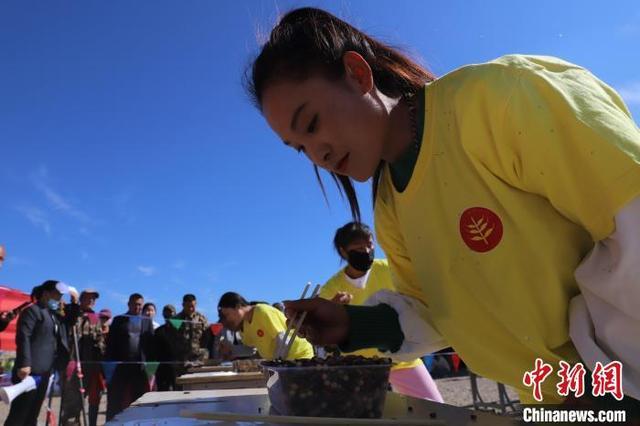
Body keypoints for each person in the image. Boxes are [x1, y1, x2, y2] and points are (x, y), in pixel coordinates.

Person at [247, 7, 640, 407]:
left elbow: (631, 216)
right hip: (550, 400)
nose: (319, 154)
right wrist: (353, 324)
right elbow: (436, 312)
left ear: (357, 73)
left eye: (312, 124)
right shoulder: (391, 206)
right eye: (301, 149)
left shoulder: (498, 100)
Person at [320, 222, 442, 402]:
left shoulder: (390, 269)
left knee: (434, 407)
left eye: (370, 245)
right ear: (343, 251)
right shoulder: (331, 287)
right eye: (359, 248)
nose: (367, 251)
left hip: (401, 356)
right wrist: (333, 310)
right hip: (357, 366)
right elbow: (324, 331)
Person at [5, 280, 70, 426]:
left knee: (33, 414)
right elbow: (23, 337)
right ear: (46, 294)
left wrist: (75, 301)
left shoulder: (53, 315)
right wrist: (24, 363)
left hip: (45, 372)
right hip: (29, 371)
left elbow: (69, 321)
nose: (59, 299)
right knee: (19, 413)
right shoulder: (32, 311)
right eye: (57, 295)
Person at [217, 292, 313, 360]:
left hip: (300, 356)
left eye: (227, 315)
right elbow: (251, 350)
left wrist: (275, 364)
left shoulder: (262, 311)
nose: (227, 320)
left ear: (238, 307)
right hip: (284, 362)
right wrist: (230, 350)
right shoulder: (245, 325)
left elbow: (283, 340)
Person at [105, 293, 154, 421]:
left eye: (139, 305)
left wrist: (150, 367)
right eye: (135, 304)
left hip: (139, 367)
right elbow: (110, 343)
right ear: (128, 304)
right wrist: (109, 366)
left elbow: (150, 345)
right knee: (115, 400)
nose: (137, 307)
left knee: (139, 399)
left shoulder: (147, 321)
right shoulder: (118, 320)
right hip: (120, 366)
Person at [60, 289, 106, 426]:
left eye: (94, 298)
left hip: (89, 365)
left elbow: (100, 340)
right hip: (72, 363)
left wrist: (101, 348)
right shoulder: (71, 312)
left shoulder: (95, 317)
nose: (92, 301)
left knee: (81, 400)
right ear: (81, 299)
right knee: (70, 403)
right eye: (89, 298)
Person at [169, 294, 210, 379]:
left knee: (198, 386)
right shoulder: (176, 319)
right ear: (183, 305)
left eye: (193, 306)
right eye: (188, 306)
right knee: (180, 388)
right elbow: (170, 339)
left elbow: (207, 336)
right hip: (181, 361)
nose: (191, 309)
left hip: (198, 360)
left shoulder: (201, 319)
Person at [154, 304, 178, 391]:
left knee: (178, 392)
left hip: (177, 367)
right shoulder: (158, 331)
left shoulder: (181, 330)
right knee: (162, 392)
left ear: (175, 314)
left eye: (171, 312)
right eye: (166, 313)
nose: (168, 315)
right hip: (162, 368)